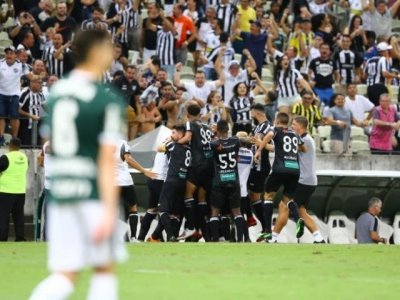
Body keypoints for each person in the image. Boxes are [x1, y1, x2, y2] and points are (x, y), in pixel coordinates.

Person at [29, 29, 126, 300]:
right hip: (91, 192)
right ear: (96, 52)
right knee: (103, 270)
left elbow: (52, 140)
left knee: (65, 275)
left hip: (62, 191)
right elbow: (107, 160)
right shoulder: (106, 99)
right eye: (108, 48)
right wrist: (109, 209)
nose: (112, 53)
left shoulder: (58, 93)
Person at [263, 112, 306, 243]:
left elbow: (270, 135)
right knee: (288, 199)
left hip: (280, 169)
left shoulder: (275, 130)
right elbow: (304, 148)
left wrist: (259, 149)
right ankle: (298, 218)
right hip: (294, 170)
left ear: (277, 121)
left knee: (268, 196)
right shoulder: (294, 134)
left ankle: (267, 231)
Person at [178, 104, 213, 240]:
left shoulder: (190, 124)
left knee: (188, 194)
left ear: (187, 112)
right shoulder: (206, 126)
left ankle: (191, 227)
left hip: (196, 164)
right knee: (202, 199)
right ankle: (204, 232)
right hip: (208, 165)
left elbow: (187, 138)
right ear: (200, 113)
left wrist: (174, 142)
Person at [209, 120, 245, 242]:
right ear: (228, 130)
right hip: (233, 180)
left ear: (218, 130)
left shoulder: (214, 144)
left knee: (215, 212)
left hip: (219, 181)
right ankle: (240, 240)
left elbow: (209, 144)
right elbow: (243, 139)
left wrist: (213, 133)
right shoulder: (235, 141)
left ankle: (214, 240)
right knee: (237, 212)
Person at [291, 116, 325, 243]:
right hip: (309, 181)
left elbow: (290, 147)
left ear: (300, 126)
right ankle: (319, 238)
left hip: (304, 180)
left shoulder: (305, 140)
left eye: (294, 124)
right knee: (302, 211)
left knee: (288, 205)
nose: (292, 126)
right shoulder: (306, 139)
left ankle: (274, 237)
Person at [115, 139, 157, 242]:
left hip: (111, 184)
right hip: (125, 182)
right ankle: (133, 237)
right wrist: (144, 171)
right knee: (132, 209)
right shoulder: (122, 143)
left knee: (116, 211)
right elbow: (128, 159)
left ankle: (121, 237)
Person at [0, 46, 44, 145]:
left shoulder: (22, 65)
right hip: (1, 93)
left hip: (14, 94)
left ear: (15, 55)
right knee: (1, 116)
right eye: (7, 53)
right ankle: (1, 137)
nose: (9, 55)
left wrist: (39, 76)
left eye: (11, 53)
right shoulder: (0, 63)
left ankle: (14, 139)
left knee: (15, 117)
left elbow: (31, 77)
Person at [157, 124, 191, 242]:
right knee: (176, 213)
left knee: (162, 210)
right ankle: (174, 237)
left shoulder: (173, 145)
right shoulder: (190, 149)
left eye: (173, 133)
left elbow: (159, 148)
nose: (171, 135)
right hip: (183, 183)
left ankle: (170, 236)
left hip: (171, 181)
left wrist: (168, 141)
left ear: (181, 134)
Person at [0, 138, 28, 241]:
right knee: (19, 216)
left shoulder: (6, 157)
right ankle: (20, 237)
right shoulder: (24, 157)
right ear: (19, 146)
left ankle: (2, 238)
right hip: (20, 192)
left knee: (3, 216)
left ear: (10, 146)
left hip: (6, 191)